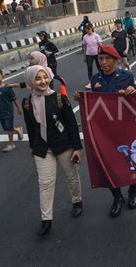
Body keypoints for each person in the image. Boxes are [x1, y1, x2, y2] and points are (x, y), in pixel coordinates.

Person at [75, 44, 136, 217]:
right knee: (109, 165)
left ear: (115, 60)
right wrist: (80, 98)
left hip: (127, 128)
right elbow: (88, 99)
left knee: (133, 162)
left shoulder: (127, 76)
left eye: (107, 59)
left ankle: (133, 192)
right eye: (100, 59)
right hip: (106, 131)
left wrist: (132, 91)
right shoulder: (96, 79)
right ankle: (117, 197)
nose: (103, 62)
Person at [23, 65, 83, 235]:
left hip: (64, 145)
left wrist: (78, 148)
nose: (42, 81)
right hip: (42, 149)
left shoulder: (59, 99)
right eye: (37, 78)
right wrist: (33, 148)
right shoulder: (27, 102)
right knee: (45, 183)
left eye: (45, 77)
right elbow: (30, 128)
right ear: (30, 81)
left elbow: (71, 124)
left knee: (71, 177)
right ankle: (46, 219)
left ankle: (77, 201)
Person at [0, 68, 24, 152]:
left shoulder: (7, 88)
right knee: (6, 127)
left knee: (8, 128)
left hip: (8, 111)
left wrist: (19, 108)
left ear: (2, 76)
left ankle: (11, 144)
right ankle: (17, 129)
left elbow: (14, 99)